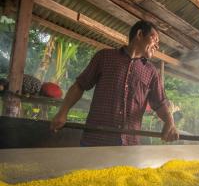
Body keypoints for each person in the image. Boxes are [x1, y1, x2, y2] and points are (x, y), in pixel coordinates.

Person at [50, 20, 179, 146]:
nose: (157, 45)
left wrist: (170, 123)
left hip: (129, 144)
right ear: (139, 34)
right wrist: (63, 112)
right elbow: (80, 85)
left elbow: (160, 103)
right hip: (96, 140)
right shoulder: (104, 56)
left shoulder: (151, 72)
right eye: (154, 39)